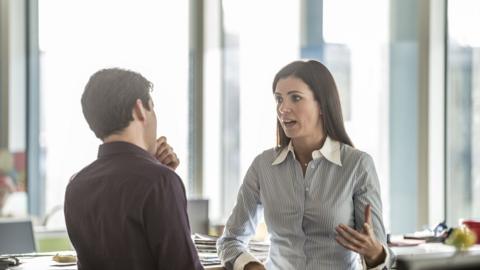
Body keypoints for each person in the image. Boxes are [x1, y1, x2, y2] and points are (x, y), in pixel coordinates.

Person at [217, 60, 394, 270]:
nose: (283, 108)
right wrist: (251, 267)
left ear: (322, 104)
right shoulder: (262, 166)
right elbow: (229, 241)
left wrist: (375, 254)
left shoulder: (358, 165)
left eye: (296, 98)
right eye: (279, 99)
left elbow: (383, 259)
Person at [64, 68, 203, 270]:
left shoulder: (75, 185)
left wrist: (157, 171)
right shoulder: (159, 182)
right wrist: (163, 178)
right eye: (152, 107)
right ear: (139, 109)